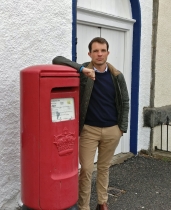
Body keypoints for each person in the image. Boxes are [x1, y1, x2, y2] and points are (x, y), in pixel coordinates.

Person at [52, 37, 129, 210]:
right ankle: (83, 206)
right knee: (86, 169)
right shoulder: (83, 72)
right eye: (96, 51)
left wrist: (121, 128)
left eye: (103, 50)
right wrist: (81, 69)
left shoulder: (116, 76)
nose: (99, 54)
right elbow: (57, 60)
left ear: (108, 53)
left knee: (103, 167)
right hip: (89, 130)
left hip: (112, 130)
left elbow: (125, 101)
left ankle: (102, 202)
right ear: (90, 53)